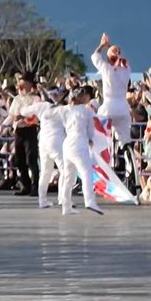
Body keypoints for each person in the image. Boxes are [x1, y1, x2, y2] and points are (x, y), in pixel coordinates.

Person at [59, 88, 103, 216]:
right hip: (79, 144)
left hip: (67, 144)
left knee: (69, 177)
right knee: (86, 172)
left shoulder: (65, 110)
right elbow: (90, 129)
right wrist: (90, 139)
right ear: (83, 97)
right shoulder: (86, 111)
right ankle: (89, 201)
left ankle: (66, 206)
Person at [20, 90, 66, 210]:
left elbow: (23, 111)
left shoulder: (41, 106)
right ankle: (63, 199)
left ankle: (42, 200)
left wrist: (32, 104)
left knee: (45, 172)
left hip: (43, 142)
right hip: (56, 141)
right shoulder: (62, 108)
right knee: (65, 170)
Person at [3, 74, 41, 196]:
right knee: (19, 160)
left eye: (23, 83)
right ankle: (26, 185)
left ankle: (35, 187)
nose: (21, 85)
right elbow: (11, 116)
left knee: (31, 159)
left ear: (29, 84)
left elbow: (34, 114)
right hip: (18, 131)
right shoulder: (17, 99)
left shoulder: (35, 98)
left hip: (30, 129)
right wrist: (2, 127)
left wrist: (22, 116)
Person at [92, 33, 133, 144]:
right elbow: (116, 58)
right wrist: (111, 48)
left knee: (100, 137)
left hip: (108, 109)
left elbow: (95, 56)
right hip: (123, 109)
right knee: (125, 140)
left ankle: (104, 150)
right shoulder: (127, 69)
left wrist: (102, 45)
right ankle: (126, 149)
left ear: (108, 59)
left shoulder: (106, 69)